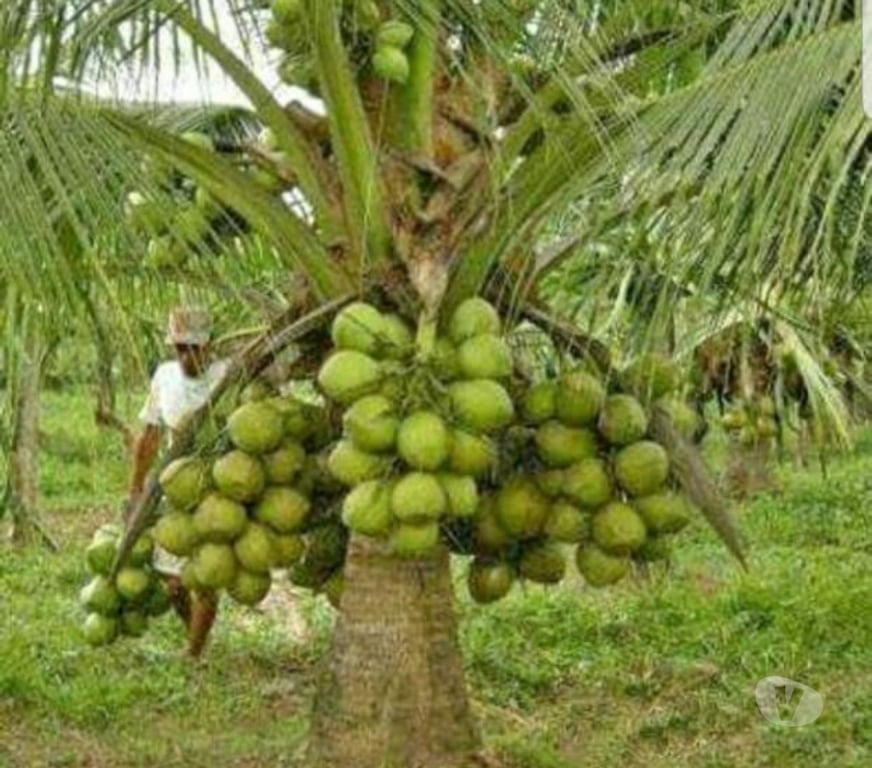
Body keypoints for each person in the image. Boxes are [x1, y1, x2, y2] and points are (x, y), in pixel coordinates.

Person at [129, 306, 229, 658]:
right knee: (173, 583)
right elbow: (150, 435)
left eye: (194, 348)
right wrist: (136, 487)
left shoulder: (229, 375)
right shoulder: (165, 377)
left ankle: (194, 654)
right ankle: (195, 635)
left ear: (210, 344)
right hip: (177, 484)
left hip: (222, 488)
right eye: (180, 348)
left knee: (204, 576)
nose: (187, 356)